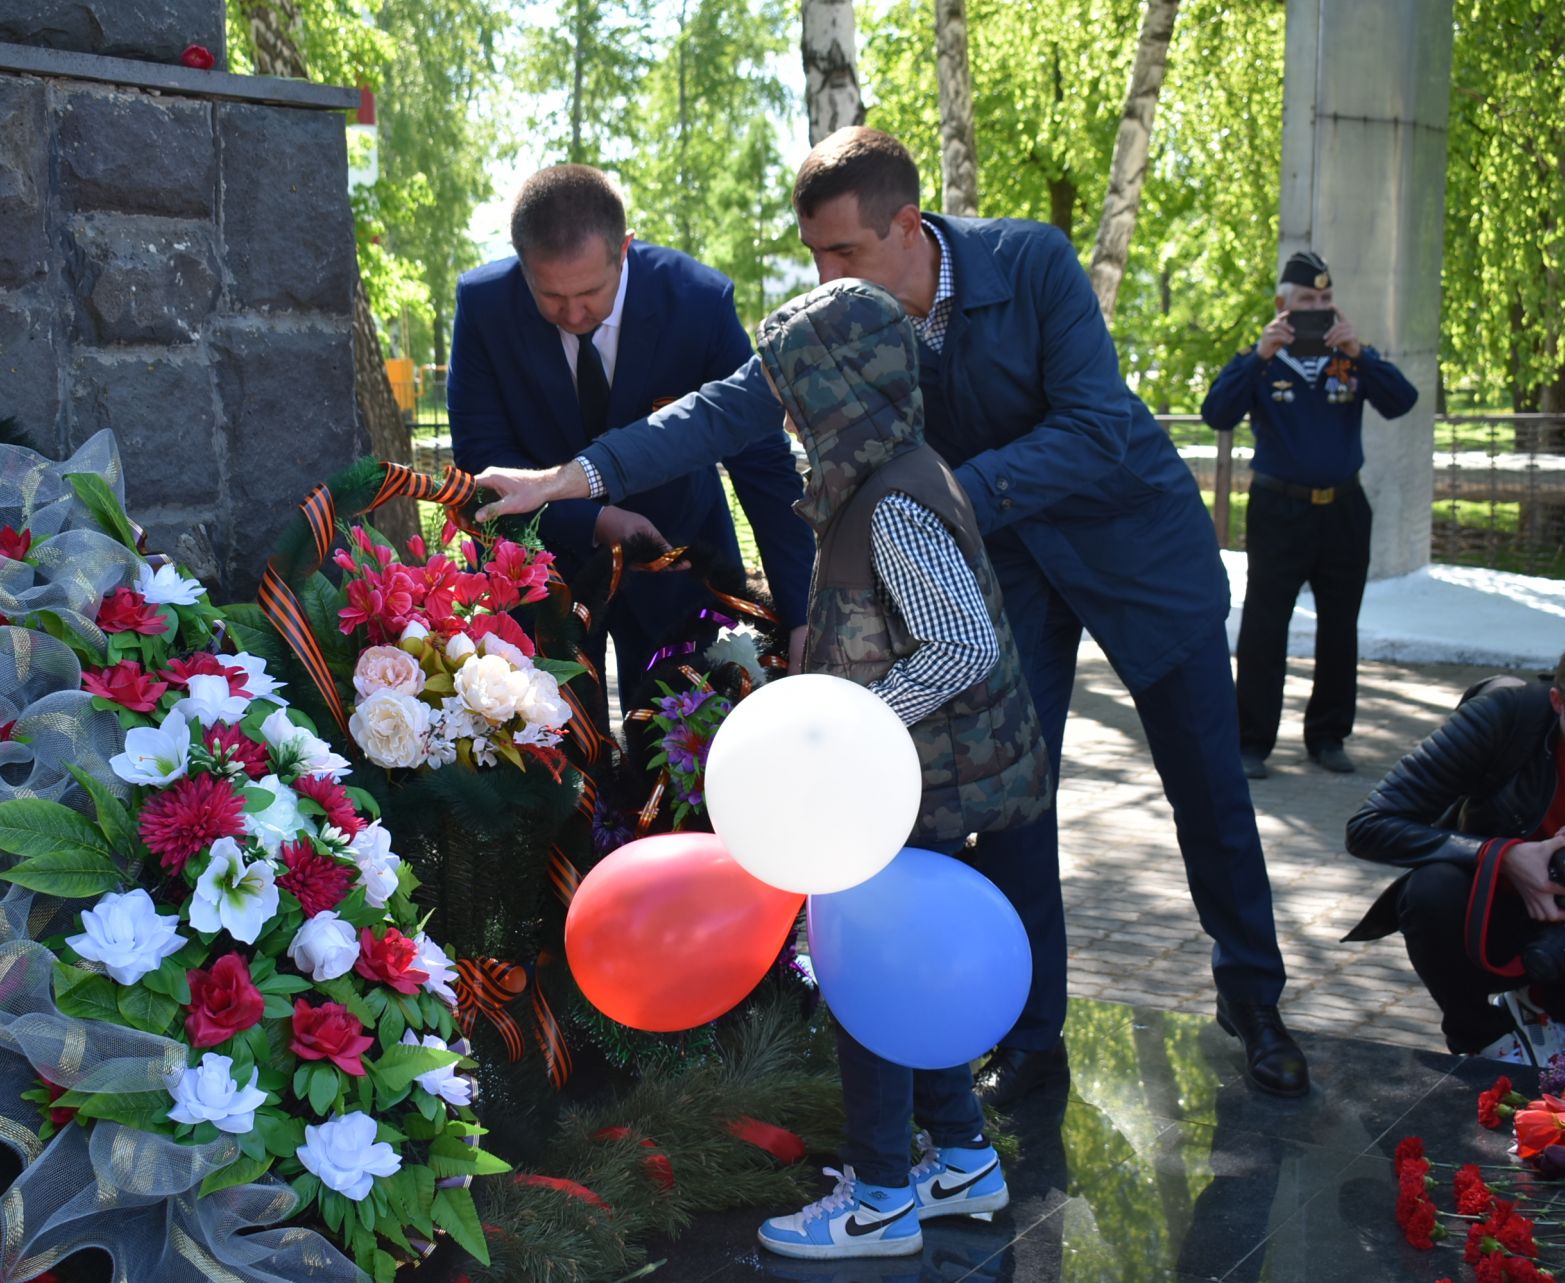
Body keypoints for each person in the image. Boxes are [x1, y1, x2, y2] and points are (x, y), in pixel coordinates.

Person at [470, 127, 1310, 1103]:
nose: (828, 274)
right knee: (1012, 807)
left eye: (845, 251)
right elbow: (721, 409)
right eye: (814, 254)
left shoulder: (1029, 261)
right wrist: (569, 477)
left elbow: (1093, 426)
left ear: (907, 224)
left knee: (1207, 786)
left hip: (1137, 556)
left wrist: (931, 499)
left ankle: (1254, 995)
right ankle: (1034, 1037)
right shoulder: (843, 315)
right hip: (1004, 577)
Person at [752, 277, 1047, 1261]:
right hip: (906, 779)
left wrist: (851, 723)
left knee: (869, 977)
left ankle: (880, 1191)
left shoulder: (894, 500)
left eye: (798, 392)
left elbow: (958, 646)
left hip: (910, 783)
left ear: (841, 390)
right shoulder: (882, 475)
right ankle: (961, 1155)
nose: (788, 412)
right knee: (901, 973)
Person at [446, 164, 813, 699]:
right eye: (549, 296)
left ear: (625, 248)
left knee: (687, 752)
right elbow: (483, 456)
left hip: (679, 561)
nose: (573, 313)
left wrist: (802, 615)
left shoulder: (697, 301)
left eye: (591, 291)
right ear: (521, 262)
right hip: (541, 571)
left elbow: (761, 460)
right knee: (551, 756)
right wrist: (595, 520)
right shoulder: (483, 305)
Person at [1201, 251, 1419, 779]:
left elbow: (1402, 401)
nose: (1317, 309)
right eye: (1306, 301)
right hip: (1280, 510)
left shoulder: (1350, 360)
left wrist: (1360, 352)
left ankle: (1328, 736)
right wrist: (1257, 356)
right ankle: (1251, 741)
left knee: (1340, 627)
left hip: (1344, 510)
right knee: (1264, 628)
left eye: (1325, 300)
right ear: (1282, 306)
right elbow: (1216, 413)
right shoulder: (1262, 361)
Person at [1344, 643, 1565, 1061]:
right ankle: (1483, 1039)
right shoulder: (1507, 718)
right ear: (1557, 701)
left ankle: (1553, 1013)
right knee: (1431, 889)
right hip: (1493, 917)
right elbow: (1370, 826)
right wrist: (1503, 856)